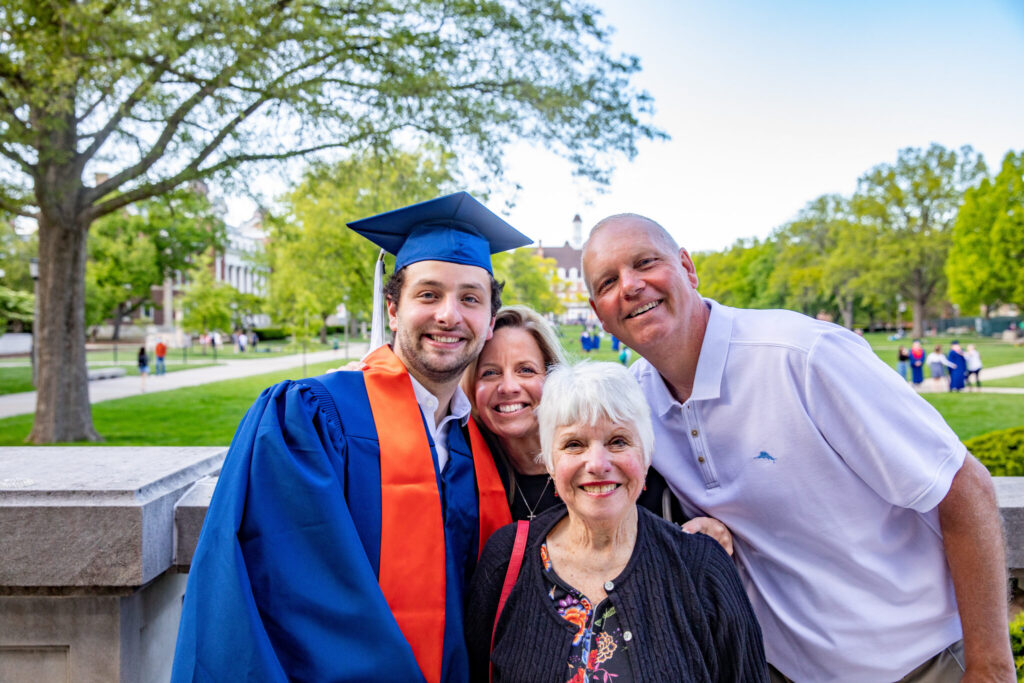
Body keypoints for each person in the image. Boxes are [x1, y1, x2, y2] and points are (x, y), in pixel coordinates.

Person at [581, 213, 1013, 682]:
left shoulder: (803, 357)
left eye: (645, 262)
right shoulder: (634, 405)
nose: (630, 286)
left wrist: (990, 667)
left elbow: (963, 486)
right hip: (782, 671)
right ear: (598, 311)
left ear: (687, 268)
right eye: (608, 282)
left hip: (921, 665)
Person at [172, 192, 532, 682]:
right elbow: (286, 597)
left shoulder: (481, 442)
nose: (449, 315)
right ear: (392, 308)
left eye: (470, 297)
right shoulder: (312, 418)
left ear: (490, 320)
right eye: (428, 295)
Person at [466, 361, 768, 682]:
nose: (597, 463)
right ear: (551, 463)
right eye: (574, 444)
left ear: (647, 454)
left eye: (618, 441)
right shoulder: (505, 560)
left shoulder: (703, 569)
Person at [461, 305, 688, 527]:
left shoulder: (617, 460)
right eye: (490, 373)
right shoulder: (464, 472)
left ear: (553, 376)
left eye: (526, 370)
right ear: (471, 385)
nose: (508, 387)